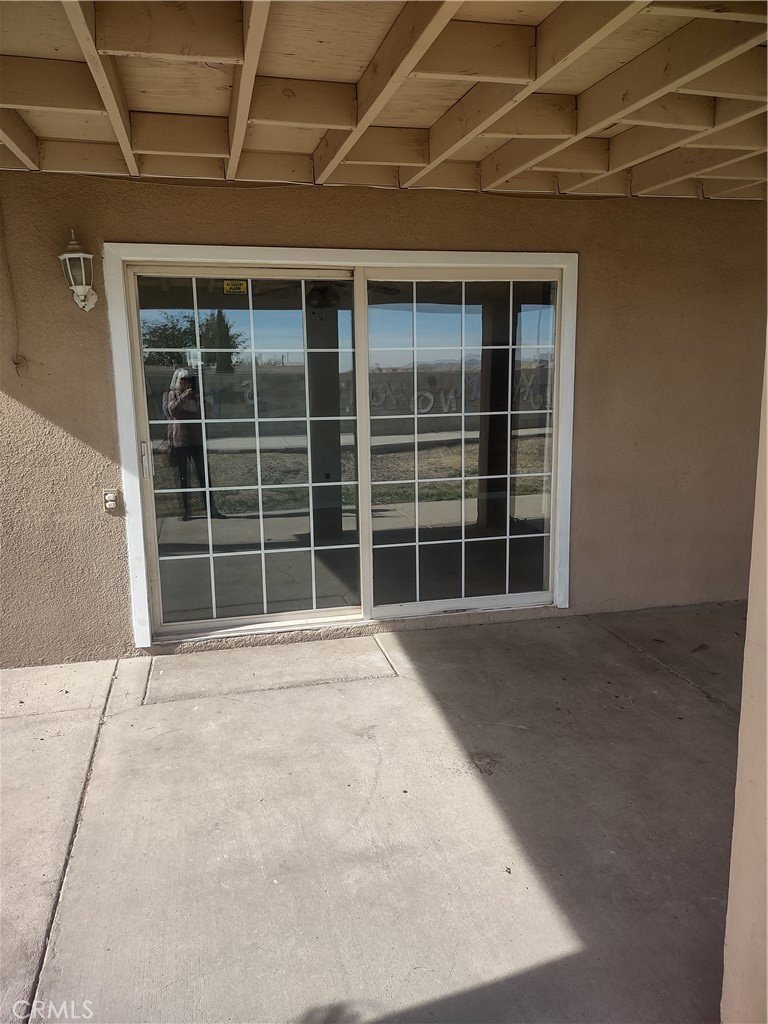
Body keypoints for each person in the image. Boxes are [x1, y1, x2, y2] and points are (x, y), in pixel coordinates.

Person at [163, 368, 226, 522]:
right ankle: (185, 510)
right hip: (180, 441)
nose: (186, 383)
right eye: (183, 380)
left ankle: (211, 508)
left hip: (196, 440)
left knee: (204, 475)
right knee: (183, 477)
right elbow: (171, 412)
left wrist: (199, 397)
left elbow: (208, 411)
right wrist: (183, 397)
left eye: (188, 380)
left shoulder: (196, 396)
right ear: (177, 381)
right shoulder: (172, 394)